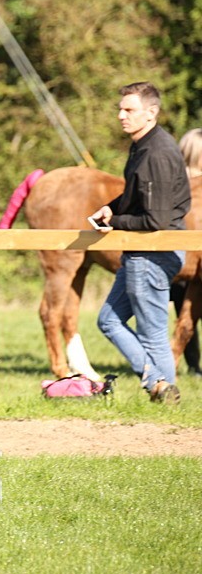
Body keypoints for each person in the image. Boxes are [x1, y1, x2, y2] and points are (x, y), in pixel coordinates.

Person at [90, 82, 192, 404]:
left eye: (129, 110)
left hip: (152, 253)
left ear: (151, 113)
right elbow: (138, 197)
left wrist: (115, 223)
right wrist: (114, 207)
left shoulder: (157, 153)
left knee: (152, 332)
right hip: (141, 252)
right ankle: (160, 385)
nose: (121, 115)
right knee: (108, 320)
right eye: (120, 109)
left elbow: (156, 220)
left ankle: (162, 391)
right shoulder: (143, 145)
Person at [171, 128, 202, 377]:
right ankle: (188, 363)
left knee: (187, 311)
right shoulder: (183, 184)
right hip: (180, 261)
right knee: (188, 310)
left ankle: (190, 363)